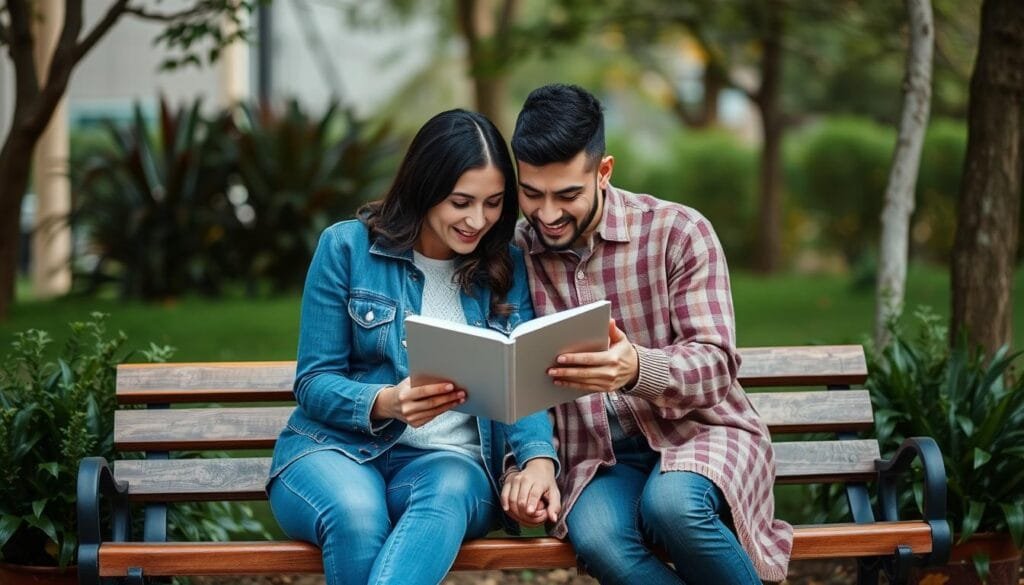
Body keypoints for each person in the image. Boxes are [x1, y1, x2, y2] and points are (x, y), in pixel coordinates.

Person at [505, 83, 793, 584]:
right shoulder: (514, 255)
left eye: (568, 194)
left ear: (604, 171)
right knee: (595, 536)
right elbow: (508, 380)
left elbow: (716, 368)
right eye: (532, 194)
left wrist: (639, 368)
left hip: (701, 432)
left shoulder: (678, 232)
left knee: (673, 505)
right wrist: (525, 466)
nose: (547, 215)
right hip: (597, 459)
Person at [267, 109, 560, 585]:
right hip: (337, 451)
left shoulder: (505, 265)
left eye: (493, 203)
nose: (477, 220)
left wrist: (537, 460)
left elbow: (520, 377)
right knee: (356, 515)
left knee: (448, 492)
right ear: (425, 187)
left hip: (448, 467)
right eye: (460, 202)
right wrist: (387, 402)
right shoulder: (346, 248)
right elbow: (314, 382)